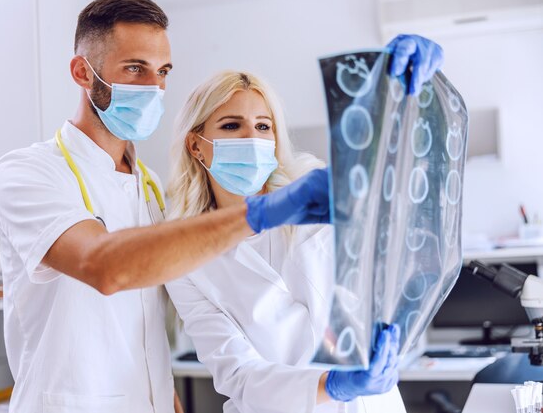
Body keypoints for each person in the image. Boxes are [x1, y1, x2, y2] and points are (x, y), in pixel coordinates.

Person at [0, 0, 442, 411]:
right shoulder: (28, 172)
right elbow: (105, 267)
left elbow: (399, 199)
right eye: (134, 69)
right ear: (84, 72)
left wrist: (403, 95)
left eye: (162, 72)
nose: (152, 87)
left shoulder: (151, 194)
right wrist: (259, 216)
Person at [164, 70, 438, 412]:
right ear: (196, 145)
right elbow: (239, 374)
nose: (253, 138)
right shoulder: (185, 258)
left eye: (263, 126)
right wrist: (332, 386)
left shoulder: (312, 190)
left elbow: (397, 212)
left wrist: (402, 86)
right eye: (232, 126)